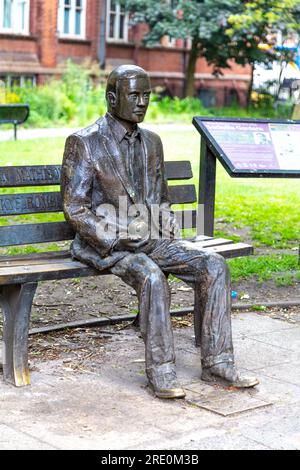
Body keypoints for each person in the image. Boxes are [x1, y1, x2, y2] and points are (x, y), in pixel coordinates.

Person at [61, 65, 258, 399]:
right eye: (134, 95)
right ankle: (162, 371)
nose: (142, 102)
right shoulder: (84, 142)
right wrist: (116, 236)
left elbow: (160, 197)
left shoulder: (152, 142)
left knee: (213, 265)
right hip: (107, 245)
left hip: (152, 237)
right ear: (112, 98)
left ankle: (218, 363)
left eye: (147, 95)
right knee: (152, 276)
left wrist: (165, 217)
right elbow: (75, 207)